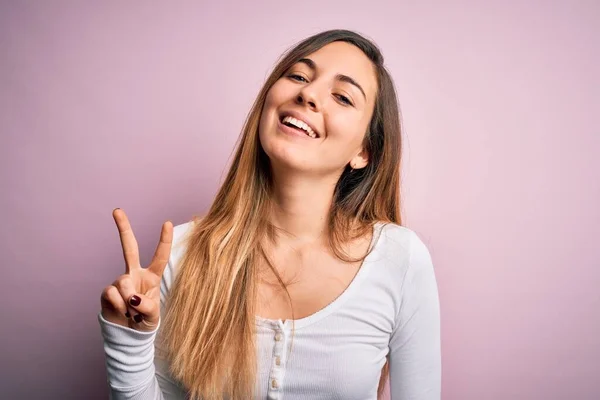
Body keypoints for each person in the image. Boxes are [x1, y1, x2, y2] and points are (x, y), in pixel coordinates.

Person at [99, 29, 441, 400]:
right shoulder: (182, 253)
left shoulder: (399, 258)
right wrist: (129, 339)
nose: (308, 94)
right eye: (298, 76)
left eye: (342, 96)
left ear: (364, 152)